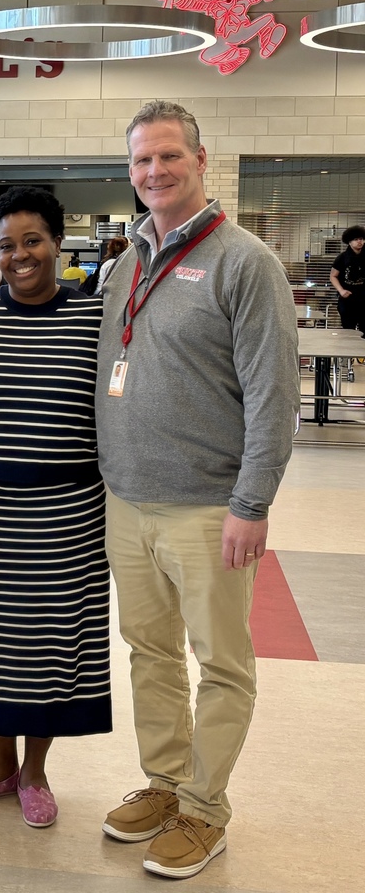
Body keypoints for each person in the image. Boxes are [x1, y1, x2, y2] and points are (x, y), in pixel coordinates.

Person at [95, 100, 299, 880]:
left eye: (169, 156)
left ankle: (206, 809)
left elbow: (272, 396)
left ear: (202, 159)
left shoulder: (245, 262)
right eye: (142, 160)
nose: (155, 172)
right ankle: (165, 782)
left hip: (208, 506)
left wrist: (252, 503)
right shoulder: (127, 263)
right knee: (149, 652)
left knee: (221, 663)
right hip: (127, 500)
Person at [0, 186, 110, 829]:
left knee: (55, 644)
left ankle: (35, 772)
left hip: (69, 508)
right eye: (6, 244)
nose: (19, 255)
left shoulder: (91, 319)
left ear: (58, 244)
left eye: (33, 240)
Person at [329, 224, 365, 334]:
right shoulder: (342, 258)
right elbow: (333, 276)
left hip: (363, 298)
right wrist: (341, 290)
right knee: (348, 331)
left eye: (362, 239)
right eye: (356, 239)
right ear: (349, 241)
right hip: (347, 300)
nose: (360, 241)